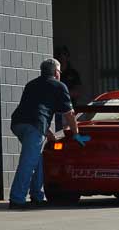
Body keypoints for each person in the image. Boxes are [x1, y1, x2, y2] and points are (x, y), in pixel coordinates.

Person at [9, 58, 90, 209]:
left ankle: (37, 195)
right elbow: (70, 114)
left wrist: (47, 132)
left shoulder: (31, 84)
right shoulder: (59, 86)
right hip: (35, 126)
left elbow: (33, 109)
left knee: (37, 158)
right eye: (59, 71)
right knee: (28, 162)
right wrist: (76, 134)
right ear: (55, 72)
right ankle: (17, 199)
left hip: (18, 124)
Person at [54, 46, 82, 130]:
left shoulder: (73, 73)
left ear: (67, 56)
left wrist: (64, 93)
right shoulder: (54, 73)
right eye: (60, 55)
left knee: (69, 130)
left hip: (69, 107)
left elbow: (78, 92)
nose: (62, 57)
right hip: (56, 110)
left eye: (64, 54)